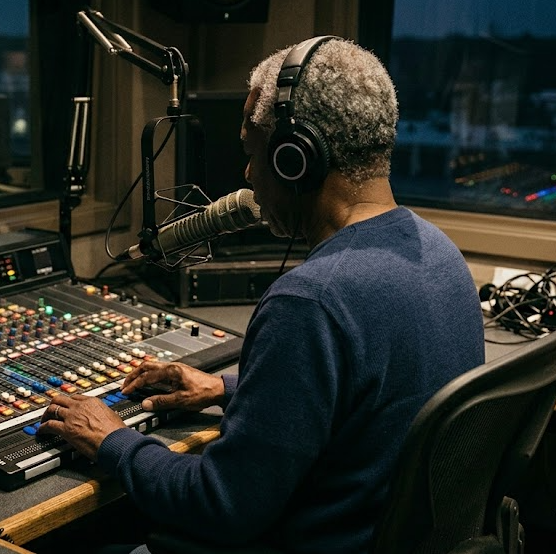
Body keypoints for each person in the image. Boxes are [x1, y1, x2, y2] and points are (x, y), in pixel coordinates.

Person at [38, 36, 486, 553]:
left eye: (254, 152)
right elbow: (377, 398)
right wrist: (231, 389)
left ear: (297, 158)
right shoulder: (441, 253)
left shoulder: (309, 301)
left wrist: (113, 439)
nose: (248, 173)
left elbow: (222, 505)